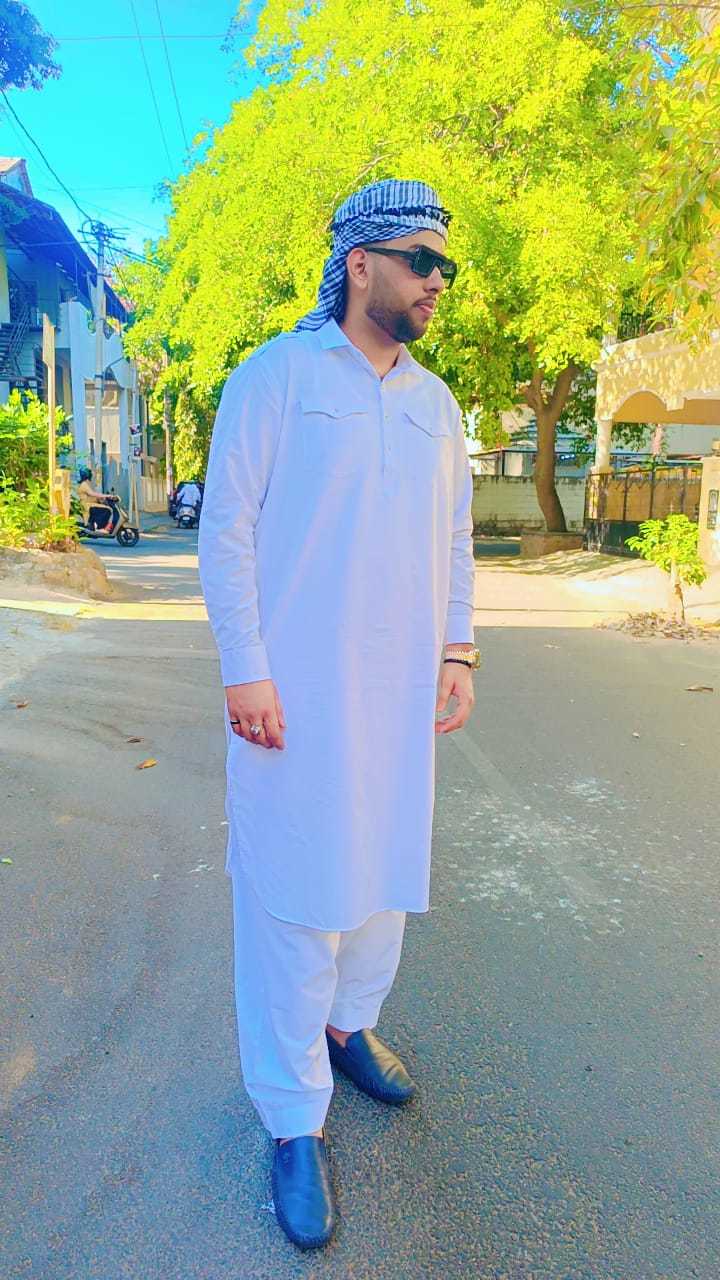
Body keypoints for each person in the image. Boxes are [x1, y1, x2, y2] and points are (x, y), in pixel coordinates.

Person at [198, 178, 479, 1251]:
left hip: (399, 697)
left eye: (446, 262)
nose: (437, 279)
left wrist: (457, 649)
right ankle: (291, 1118)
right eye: (421, 258)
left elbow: (454, 539)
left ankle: (348, 1028)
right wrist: (246, 670)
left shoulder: (436, 404)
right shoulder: (275, 376)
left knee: (381, 881)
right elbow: (228, 530)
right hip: (295, 698)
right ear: (360, 263)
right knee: (290, 898)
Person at [76, 467, 116, 532]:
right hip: (87, 506)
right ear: (88, 475)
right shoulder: (84, 484)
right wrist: (107, 495)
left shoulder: (84, 484)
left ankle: (95, 525)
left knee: (105, 508)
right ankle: (99, 528)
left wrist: (101, 498)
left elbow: (92, 495)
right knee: (108, 510)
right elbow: (93, 494)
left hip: (87, 505)